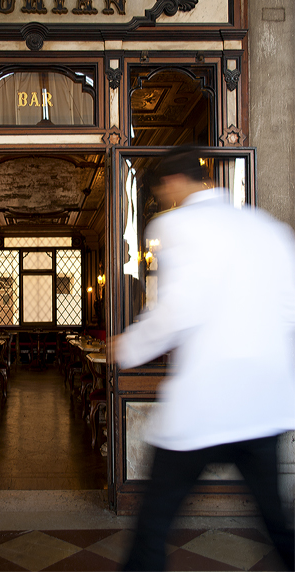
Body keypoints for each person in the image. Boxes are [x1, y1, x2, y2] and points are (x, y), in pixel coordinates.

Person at [115, 147, 295, 571]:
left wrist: (128, 348)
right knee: (276, 522)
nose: (161, 197)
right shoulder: (267, 228)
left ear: (172, 183)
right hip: (264, 401)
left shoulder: (176, 225)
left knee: (154, 523)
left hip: (206, 400)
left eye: (159, 189)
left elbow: (177, 308)